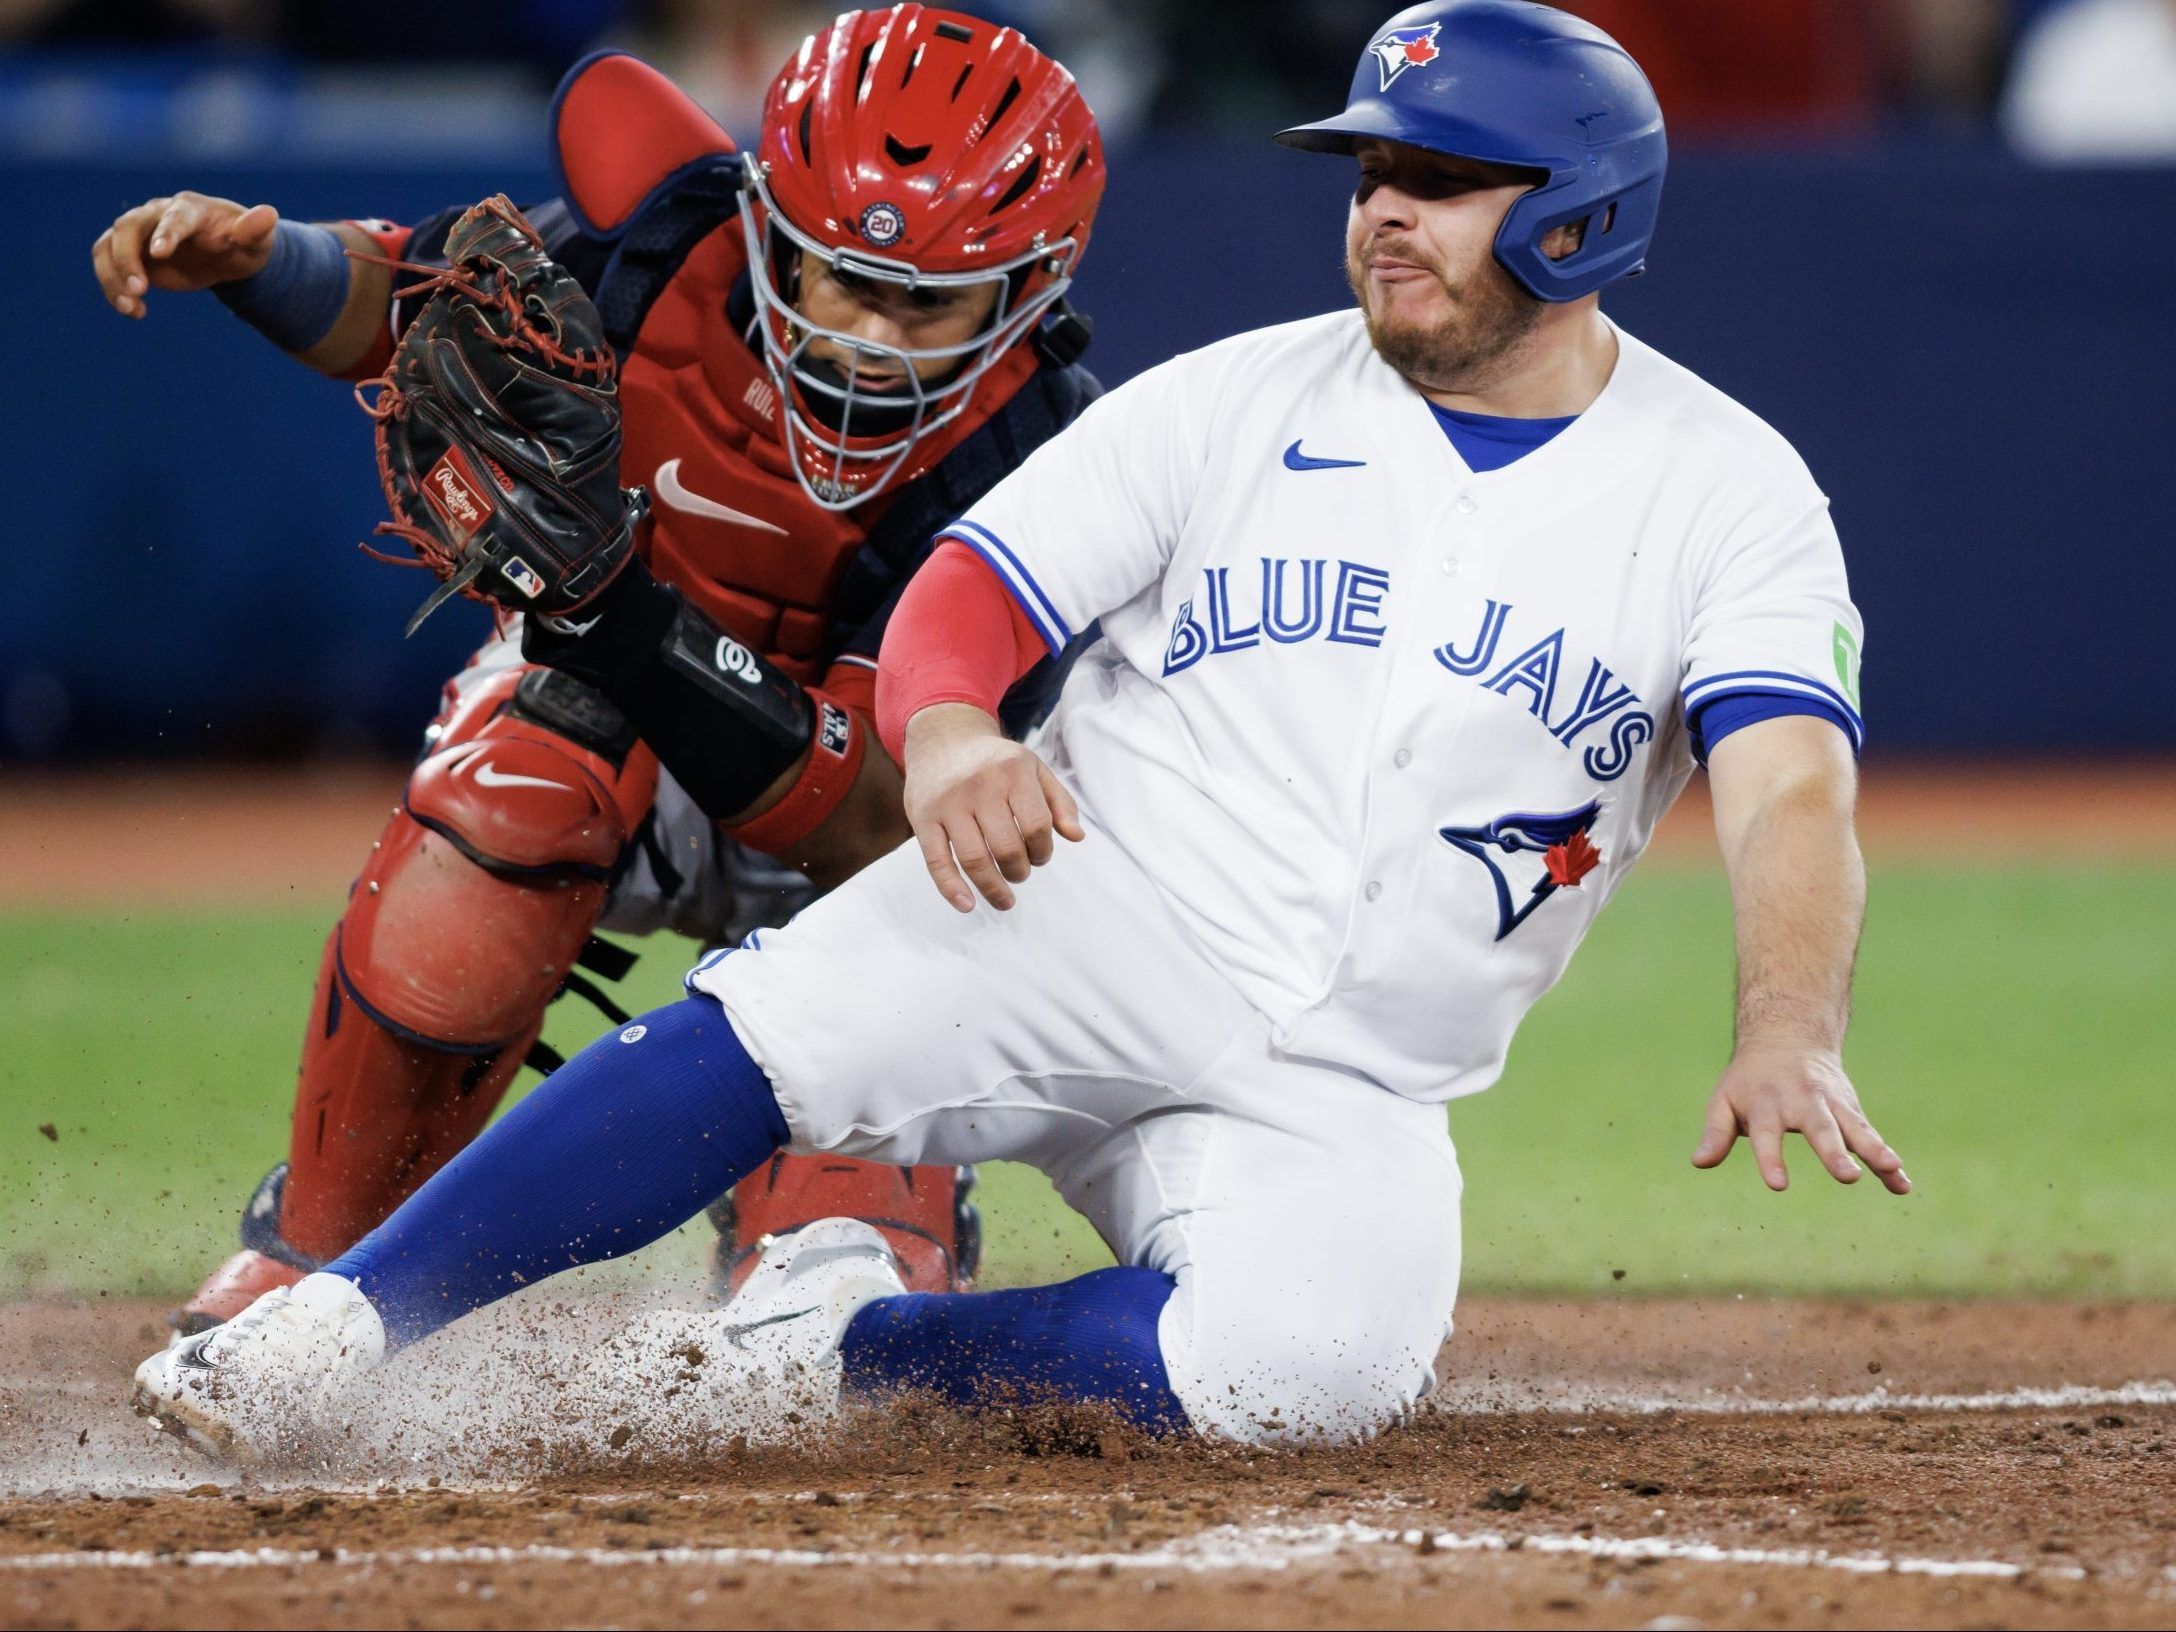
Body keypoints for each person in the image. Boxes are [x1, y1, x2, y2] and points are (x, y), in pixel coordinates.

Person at [134, 0, 1911, 1458]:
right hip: (1090, 916)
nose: (1382, 208)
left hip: (1354, 1072)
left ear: (1580, 216)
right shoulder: (1239, 399)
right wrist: (963, 736)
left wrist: (1789, 1030)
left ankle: (842, 1359)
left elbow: (1789, 790)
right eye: (1372, 168)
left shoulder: (1726, 493)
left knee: (1307, 1376)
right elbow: (974, 593)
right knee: (771, 1027)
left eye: (1439, 180)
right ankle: (322, 1332)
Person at [90, 6, 1106, 1327]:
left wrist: (619, 613)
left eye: (925, 304)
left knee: (845, 1253)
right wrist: (258, 259)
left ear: (1027, 292)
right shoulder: (659, 256)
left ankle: (849, 1227)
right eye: (837, 278)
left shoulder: (1053, 455)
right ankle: (323, 1251)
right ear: (762, 227)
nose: (866, 334)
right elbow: (415, 302)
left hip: (860, 816)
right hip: (607, 728)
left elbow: (870, 826)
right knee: (513, 786)